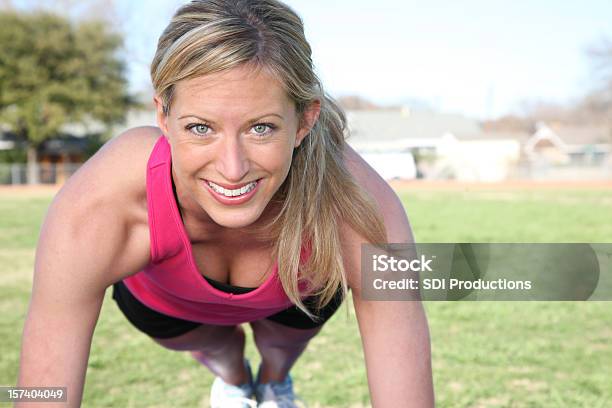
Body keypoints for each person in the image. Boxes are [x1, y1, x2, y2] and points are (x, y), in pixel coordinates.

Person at [17, 0, 434, 407]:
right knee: (220, 351)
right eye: (200, 127)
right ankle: (233, 380)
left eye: (261, 128)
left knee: (281, 345)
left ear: (304, 121)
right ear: (163, 116)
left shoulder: (355, 202)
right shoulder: (101, 202)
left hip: (297, 294)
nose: (232, 169)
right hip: (166, 304)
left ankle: (274, 381)